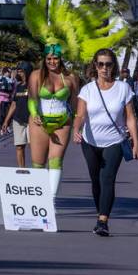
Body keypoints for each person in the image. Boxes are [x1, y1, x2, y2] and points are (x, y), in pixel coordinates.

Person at [73, 49, 138, 237]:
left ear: (114, 66)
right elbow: (80, 115)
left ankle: (103, 220)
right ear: (95, 66)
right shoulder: (87, 89)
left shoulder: (123, 88)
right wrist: (76, 129)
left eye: (108, 64)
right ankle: (99, 213)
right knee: (95, 181)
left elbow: (130, 117)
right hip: (90, 141)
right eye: (101, 64)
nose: (105, 68)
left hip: (115, 141)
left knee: (107, 179)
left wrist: (136, 142)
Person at [27, 44, 80, 195]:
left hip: (62, 122)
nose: (52, 61)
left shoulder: (71, 77)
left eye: (55, 58)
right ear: (44, 59)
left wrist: (77, 124)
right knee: (38, 163)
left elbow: (76, 103)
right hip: (40, 123)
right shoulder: (36, 75)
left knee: (56, 161)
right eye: (49, 58)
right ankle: (38, 200)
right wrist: (34, 113)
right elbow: (31, 99)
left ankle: (51, 201)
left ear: (60, 59)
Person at [1, 62, 33, 168]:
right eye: (18, 71)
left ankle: (37, 170)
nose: (19, 73)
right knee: (19, 146)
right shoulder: (19, 86)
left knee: (33, 146)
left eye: (21, 71)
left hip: (31, 120)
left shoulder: (34, 85)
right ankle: (22, 170)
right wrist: (6, 121)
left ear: (27, 71)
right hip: (18, 119)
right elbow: (14, 103)